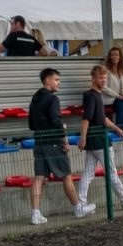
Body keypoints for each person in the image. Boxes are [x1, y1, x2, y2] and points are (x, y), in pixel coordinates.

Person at [77, 64, 123, 216]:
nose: (104, 80)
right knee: (111, 171)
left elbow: (102, 118)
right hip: (99, 140)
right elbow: (86, 118)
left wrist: (117, 129)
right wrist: (83, 137)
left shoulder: (94, 96)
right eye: (101, 77)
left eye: (105, 77)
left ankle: (81, 204)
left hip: (93, 140)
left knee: (87, 173)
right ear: (93, 78)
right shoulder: (93, 96)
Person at [26, 66, 80, 225]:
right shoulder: (52, 99)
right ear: (47, 80)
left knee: (38, 177)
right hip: (53, 141)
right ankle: (78, 207)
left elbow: (31, 123)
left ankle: (35, 213)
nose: (59, 83)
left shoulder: (35, 98)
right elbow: (56, 120)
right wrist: (64, 139)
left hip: (39, 140)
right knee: (66, 174)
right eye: (57, 80)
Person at [100, 46, 123, 131]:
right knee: (122, 102)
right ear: (109, 57)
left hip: (120, 98)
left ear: (120, 57)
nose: (114, 57)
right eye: (112, 55)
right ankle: (121, 128)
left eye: (116, 55)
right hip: (109, 99)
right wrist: (118, 96)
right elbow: (103, 87)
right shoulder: (105, 70)